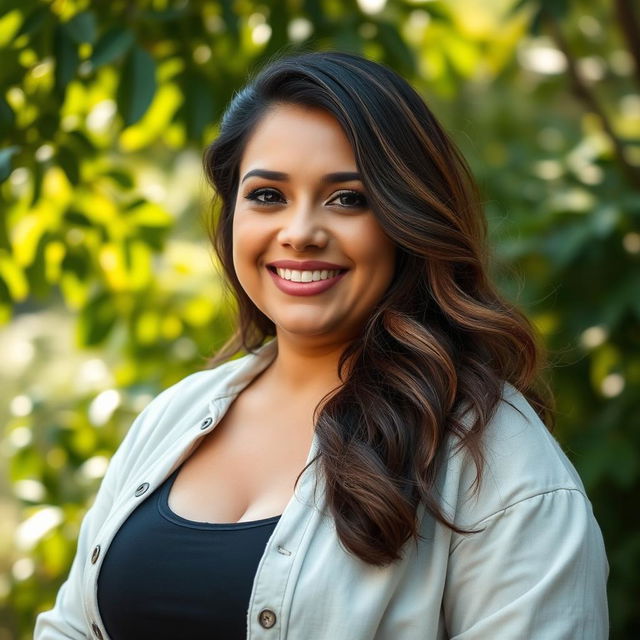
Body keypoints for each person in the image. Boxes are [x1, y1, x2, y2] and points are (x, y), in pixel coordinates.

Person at [35, 50, 608, 639]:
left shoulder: (497, 458)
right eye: (267, 196)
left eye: (348, 199)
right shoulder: (173, 418)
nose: (301, 231)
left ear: (405, 220)